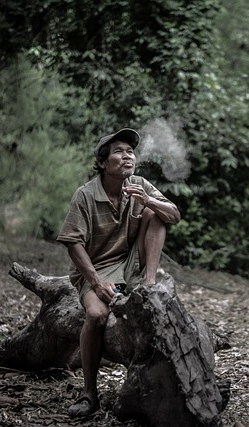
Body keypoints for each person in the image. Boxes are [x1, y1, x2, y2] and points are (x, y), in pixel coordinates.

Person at [56, 128, 181, 418]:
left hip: (131, 263)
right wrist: (97, 283)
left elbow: (174, 214)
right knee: (97, 315)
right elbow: (72, 243)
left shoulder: (138, 184)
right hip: (96, 268)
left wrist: (148, 200)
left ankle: (148, 284)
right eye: (119, 151)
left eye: (130, 151)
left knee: (157, 214)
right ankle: (89, 393)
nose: (128, 156)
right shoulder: (85, 195)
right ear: (102, 163)